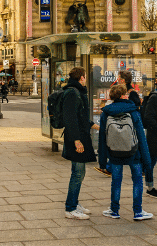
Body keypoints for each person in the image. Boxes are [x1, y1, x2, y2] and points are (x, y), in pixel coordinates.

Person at [98, 84, 153, 221]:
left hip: (114, 153)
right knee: (137, 180)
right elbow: (141, 137)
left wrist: (102, 161)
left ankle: (114, 210)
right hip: (133, 152)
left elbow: (102, 138)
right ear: (125, 95)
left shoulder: (106, 112)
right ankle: (138, 212)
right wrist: (147, 161)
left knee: (116, 181)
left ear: (112, 97)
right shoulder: (133, 111)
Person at [62, 67, 99, 220]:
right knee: (77, 173)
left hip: (79, 136)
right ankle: (70, 208)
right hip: (76, 138)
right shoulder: (72, 92)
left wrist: (94, 125)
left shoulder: (77, 91)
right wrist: (77, 140)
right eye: (85, 77)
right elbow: (70, 118)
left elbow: (80, 116)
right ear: (82, 77)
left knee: (79, 172)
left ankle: (74, 203)